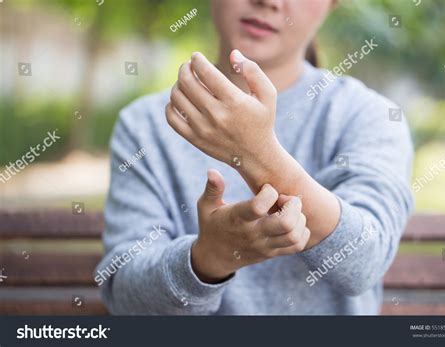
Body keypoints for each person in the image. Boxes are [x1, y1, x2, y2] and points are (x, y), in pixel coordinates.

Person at [96, 0, 413, 315]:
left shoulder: (367, 115)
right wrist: (209, 258)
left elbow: (366, 261)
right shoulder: (145, 125)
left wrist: (256, 154)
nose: (269, 2)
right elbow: (126, 298)